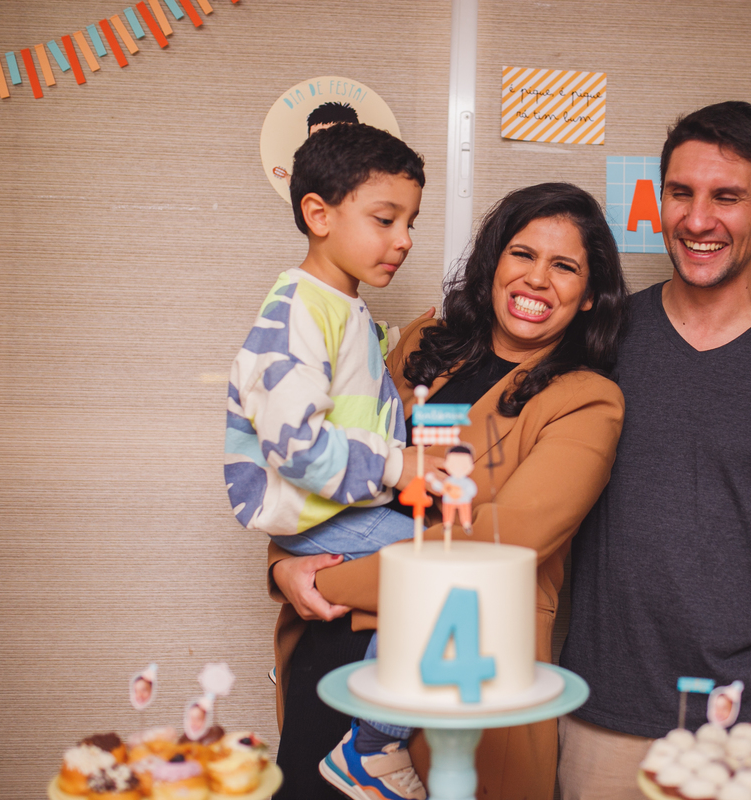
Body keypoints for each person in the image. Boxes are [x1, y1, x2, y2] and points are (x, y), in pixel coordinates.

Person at [557, 101, 751, 800]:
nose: (697, 220)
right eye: (681, 193)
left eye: (726, 197)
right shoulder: (598, 342)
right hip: (599, 719)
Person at [267, 182, 629, 800]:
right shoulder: (424, 343)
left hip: (459, 682)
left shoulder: (585, 402)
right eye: (522, 254)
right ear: (494, 261)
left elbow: (494, 545)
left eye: (564, 266)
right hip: (330, 657)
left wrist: (320, 581)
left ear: (590, 295)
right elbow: (331, 464)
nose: (537, 279)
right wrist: (282, 568)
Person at [224, 123, 434, 799]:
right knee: (442, 569)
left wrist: (414, 333)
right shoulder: (296, 313)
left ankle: (371, 738)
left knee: (434, 569)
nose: (402, 239)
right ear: (318, 214)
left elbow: (358, 371)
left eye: (410, 222)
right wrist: (401, 465)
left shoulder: (340, 306)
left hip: (336, 510)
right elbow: (300, 447)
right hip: (320, 509)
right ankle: (371, 746)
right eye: (384, 219)